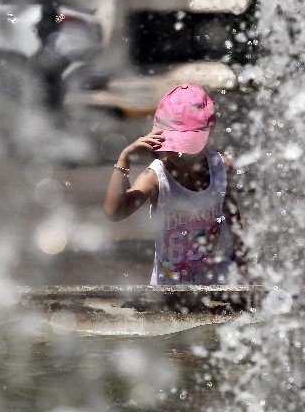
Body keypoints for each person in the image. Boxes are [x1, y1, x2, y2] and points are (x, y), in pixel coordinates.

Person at [103, 84, 243, 285]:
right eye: (173, 145)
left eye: (186, 146)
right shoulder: (156, 177)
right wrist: (124, 159)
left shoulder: (221, 168)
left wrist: (243, 262)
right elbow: (115, 212)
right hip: (169, 287)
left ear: (208, 134)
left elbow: (233, 218)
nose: (179, 154)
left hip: (217, 281)